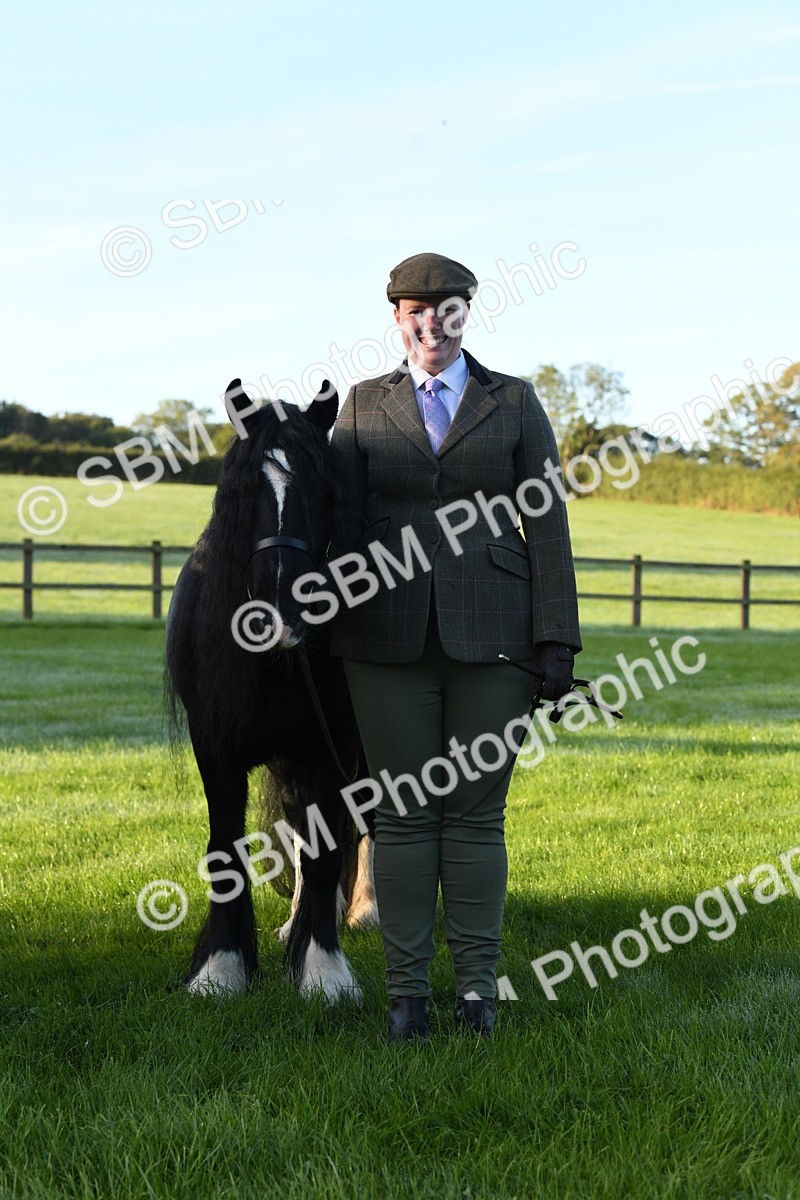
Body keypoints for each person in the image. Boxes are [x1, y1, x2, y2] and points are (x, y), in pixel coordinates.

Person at [328, 252, 581, 1041]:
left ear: (468, 313)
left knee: (475, 817)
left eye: (448, 311)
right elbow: (338, 521)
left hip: (497, 637)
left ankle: (478, 997)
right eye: (416, 312)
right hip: (383, 635)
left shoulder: (515, 401)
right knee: (402, 816)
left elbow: (547, 521)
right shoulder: (362, 405)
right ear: (397, 318)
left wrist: (557, 638)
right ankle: (407, 1000)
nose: (432, 325)